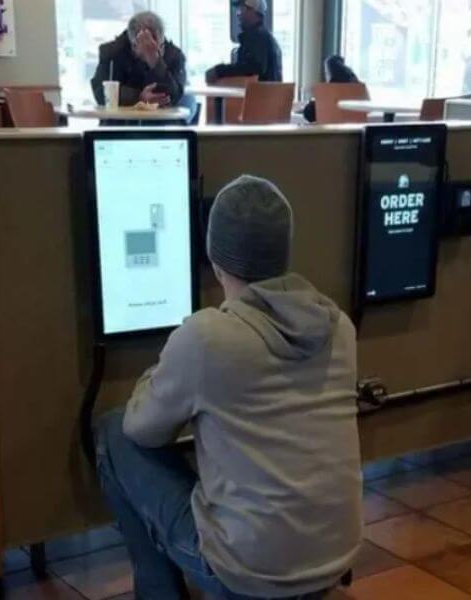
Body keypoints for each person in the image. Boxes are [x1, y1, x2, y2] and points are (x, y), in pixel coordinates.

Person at [94, 176, 363, 599]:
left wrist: (165, 368)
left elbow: (141, 428)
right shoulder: (340, 327)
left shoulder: (207, 338)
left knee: (112, 434)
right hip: (334, 556)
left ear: (215, 262)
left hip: (248, 576)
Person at [90, 11, 187, 108]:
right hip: (121, 121)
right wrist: (138, 97)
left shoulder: (174, 55)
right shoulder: (112, 53)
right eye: (147, 46)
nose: (155, 51)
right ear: (134, 45)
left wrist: (156, 61)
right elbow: (100, 93)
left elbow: (175, 95)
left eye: (159, 47)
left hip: (162, 121)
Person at [207, 0, 283, 83]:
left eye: (241, 9)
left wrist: (219, 71)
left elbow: (253, 68)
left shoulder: (257, 38)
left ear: (253, 11)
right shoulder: (265, 37)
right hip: (267, 95)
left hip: (257, 95)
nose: (238, 14)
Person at [302, 55, 360, 123]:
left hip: (330, 131)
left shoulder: (330, 92)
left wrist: (314, 100)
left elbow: (308, 114)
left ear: (331, 74)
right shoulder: (358, 89)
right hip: (354, 131)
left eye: (326, 73)